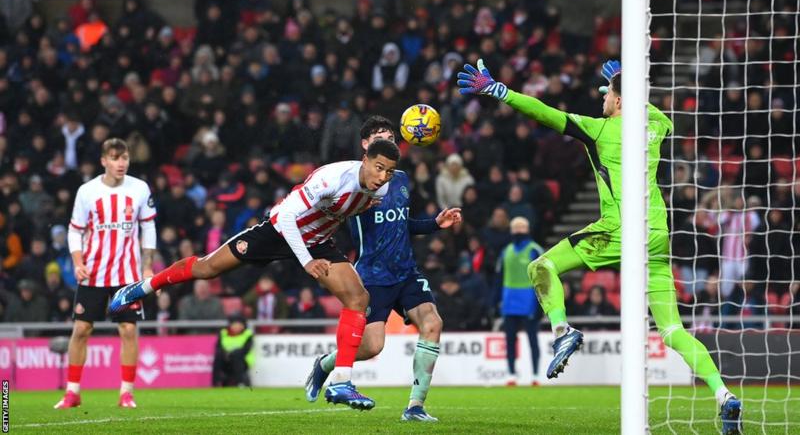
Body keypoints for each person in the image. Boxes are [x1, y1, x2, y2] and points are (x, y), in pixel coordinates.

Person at [458, 59, 743, 432]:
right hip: (657, 235)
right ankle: (723, 395)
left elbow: (546, 113)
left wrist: (501, 92)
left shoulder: (599, 129)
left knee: (540, 267)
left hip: (620, 230)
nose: (603, 99)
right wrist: (629, 90)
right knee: (673, 331)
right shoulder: (655, 126)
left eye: (608, 94)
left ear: (620, 100)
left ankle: (562, 332)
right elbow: (663, 118)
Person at [110, 138, 401, 411]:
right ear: (364, 159)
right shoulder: (333, 178)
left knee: (358, 298)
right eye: (378, 167)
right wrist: (306, 262)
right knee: (207, 268)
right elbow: (287, 216)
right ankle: (142, 288)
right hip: (277, 231)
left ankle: (341, 382)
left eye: (389, 172)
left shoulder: (382, 189)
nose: (383, 176)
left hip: (318, 241)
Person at [305, 116, 462, 422]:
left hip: (406, 271)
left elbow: (401, 223)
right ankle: (325, 365)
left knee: (433, 323)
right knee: (371, 347)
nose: (387, 140)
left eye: (391, 136)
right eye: (380, 136)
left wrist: (434, 223)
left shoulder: (401, 179)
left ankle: (415, 407)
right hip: (373, 276)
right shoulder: (354, 182)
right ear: (365, 145)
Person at [55, 138, 157, 410]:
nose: (121, 163)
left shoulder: (139, 189)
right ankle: (72, 392)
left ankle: (126, 393)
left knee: (128, 329)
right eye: (115, 158)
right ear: (104, 161)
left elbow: (148, 228)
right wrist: (77, 261)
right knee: (81, 329)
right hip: (94, 273)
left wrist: (147, 266)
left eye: (124, 158)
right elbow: (75, 229)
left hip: (126, 274)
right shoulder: (87, 191)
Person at [496, 217, 543, 386]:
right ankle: (511, 374)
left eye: (521, 229)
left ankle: (536, 375)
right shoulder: (506, 251)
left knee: (532, 339)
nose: (518, 232)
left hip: (529, 300)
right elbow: (499, 277)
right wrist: (496, 300)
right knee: (509, 340)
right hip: (509, 301)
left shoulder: (534, 250)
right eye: (515, 229)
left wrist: (540, 305)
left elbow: (542, 278)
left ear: (527, 230)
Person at [212, 314, 254, 387]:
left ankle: (240, 382)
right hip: (226, 360)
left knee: (236, 355)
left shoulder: (247, 334)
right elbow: (218, 347)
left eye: (239, 325)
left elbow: (246, 349)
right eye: (234, 324)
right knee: (218, 355)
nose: (236, 327)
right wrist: (225, 354)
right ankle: (216, 383)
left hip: (242, 361)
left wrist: (232, 354)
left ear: (243, 325)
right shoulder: (223, 333)